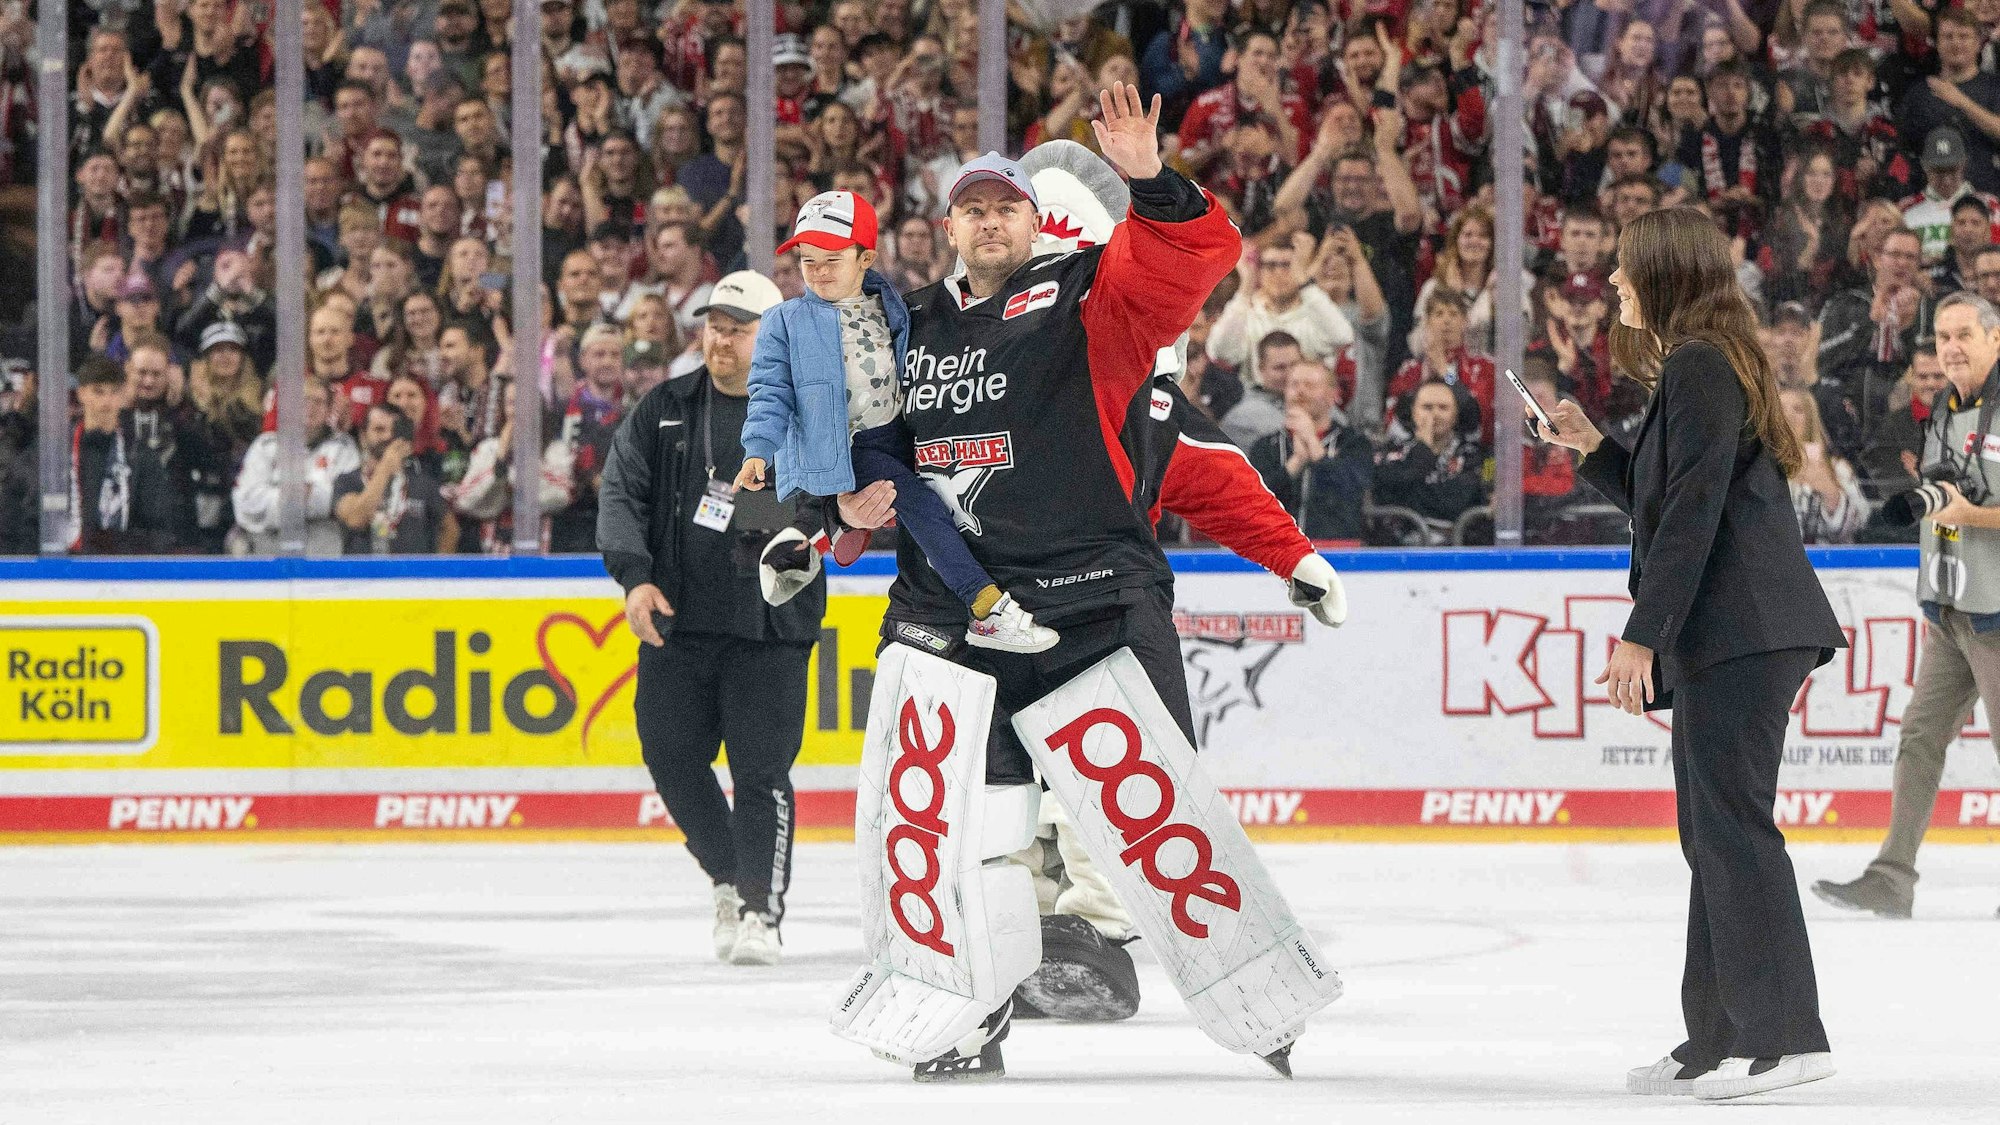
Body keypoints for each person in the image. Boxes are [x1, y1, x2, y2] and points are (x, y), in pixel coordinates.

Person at [842, 93, 1347, 1082]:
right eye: (971, 208)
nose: (989, 221)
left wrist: (1151, 183)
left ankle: (1252, 997)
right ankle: (972, 1014)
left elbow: (1189, 267)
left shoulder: (1091, 299)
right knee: (968, 837)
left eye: (1006, 206)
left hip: (1087, 609)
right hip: (956, 621)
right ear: (946, 226)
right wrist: (831, 526)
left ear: (1037, 222)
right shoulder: (912, 333)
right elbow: (869, 463)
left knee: (1153, 822)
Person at [1537, 207, 1845, 1100]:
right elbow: (1665, 492)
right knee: (1708, 830)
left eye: (1626, 270)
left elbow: (1694, 514)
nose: (1614, 284)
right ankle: (1715, 1035)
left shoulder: (1705, 363)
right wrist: (1595, 448)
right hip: (1738, 631)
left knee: (1732, 828)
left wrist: (1642, 634)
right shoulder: (1698, 364)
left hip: (1745, 628)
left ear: (1665, 271)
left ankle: (1789, 1037)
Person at [597, 267, 841, 968]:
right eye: (714, 325)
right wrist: (634, 578)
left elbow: (830, 510)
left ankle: (761, 908)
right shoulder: (667, 405)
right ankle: (730, 877)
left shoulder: (804, 415)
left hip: (769, 630)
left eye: (738, 328)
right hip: (680, 621)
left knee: (761, 772)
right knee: (670, 754)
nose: (721, 339)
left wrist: (797, 533)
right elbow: (622, 493)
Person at [734, 191, 1057, 652]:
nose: (819, 271)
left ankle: (826, 534)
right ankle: (985, 605)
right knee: (923, 507)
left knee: (940, 499)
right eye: (809, 260)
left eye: (832, 258)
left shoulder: (896, 307)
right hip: (847, 445)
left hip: (899, 435)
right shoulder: (785, 322)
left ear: (866, 258)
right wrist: (757, 450)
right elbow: (769, 392)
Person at [1815, 292, 2000, 920]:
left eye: (1964, 335)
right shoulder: (1946, 408)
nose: (1950, 347)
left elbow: (1970, 502)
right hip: (1953, 606)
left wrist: (1969, 512)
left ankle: (1892, 876)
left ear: (1995, 340)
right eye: (1943, 336)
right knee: (1919, 738)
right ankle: (1892, 877)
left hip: (1998, 610)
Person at [1246, 360, 1371, 541]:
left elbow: (1351, 491)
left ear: (1332, 395)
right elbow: (1254, 501)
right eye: (1294, 385)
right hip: (1274, 549)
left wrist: (1314, 447)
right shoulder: (1265, 446)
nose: (1300, 391)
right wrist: (1295, 463)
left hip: (1337, 549)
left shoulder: (1354, 443)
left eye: (1310, 385)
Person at [331, 403, 457, 554]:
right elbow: (356, 518)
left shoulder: (423, 483)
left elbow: (451, 530)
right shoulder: (347, 481)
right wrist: (385, 468)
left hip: (411, 575)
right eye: (379, 429)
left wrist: (436, 571)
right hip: (362, 575)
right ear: (363, 436)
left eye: (394, 431)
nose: (388, 437)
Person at [1779, 387, 1869, 544]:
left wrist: (1827, 487)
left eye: (1798, 410)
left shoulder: (1837, 469)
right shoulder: (1756, 470)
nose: (1788, 417)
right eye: (1780, 410)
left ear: (1811, 418)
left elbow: (1856, 524)